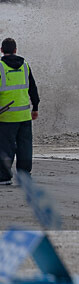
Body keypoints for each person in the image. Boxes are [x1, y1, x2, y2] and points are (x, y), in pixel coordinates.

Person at [0, 38, 40, 185]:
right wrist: (35, 107)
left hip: (6, 117)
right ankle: (24, 177)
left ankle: (4, 177)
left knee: (5, 147)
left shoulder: (0, 67)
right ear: (16, 50)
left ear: (1, 50)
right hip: (24, 115)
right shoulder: (25, 65)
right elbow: (33, 89)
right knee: (25, 147)